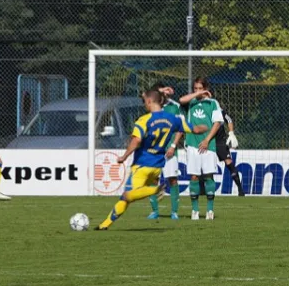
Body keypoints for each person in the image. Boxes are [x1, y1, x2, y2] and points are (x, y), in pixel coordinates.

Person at [95, 90, 207, 230]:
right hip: (157, 166)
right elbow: (196, 129)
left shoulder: (144, 120)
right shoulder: (173, 119)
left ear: (149, 101)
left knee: (127, 196)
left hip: (142, 165)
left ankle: (154, 190)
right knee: (127, 198)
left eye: (144, 102)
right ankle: (104, 225)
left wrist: (124, 156)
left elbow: (136, 140)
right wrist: (207, 126)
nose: (144, 105)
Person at [179, 77, 224, 221]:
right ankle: (195, 211)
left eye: (200, 88)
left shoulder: (212, 103)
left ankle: (210, 210)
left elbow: (216, 123)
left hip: (208, 145)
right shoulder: (191, 102)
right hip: (192, 144)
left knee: (209, 176)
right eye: (195, 88)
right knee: (193, 176)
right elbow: (181, 100)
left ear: (206, 88)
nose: (197, 91)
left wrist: (206, 140)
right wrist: (197, 94)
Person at [147, 82, 185, 220]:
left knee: (172, 180)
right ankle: (154, 211)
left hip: (169, 150)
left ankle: (174, 212)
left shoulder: (174, 107)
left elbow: (180, 129)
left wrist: (173, 146)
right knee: (153, 179)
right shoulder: (152, 106)